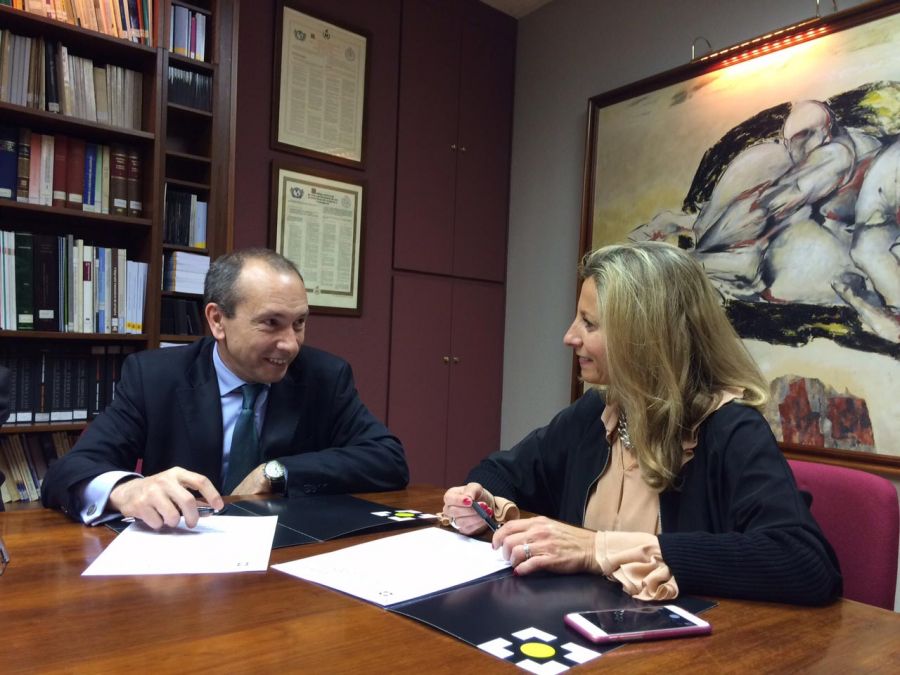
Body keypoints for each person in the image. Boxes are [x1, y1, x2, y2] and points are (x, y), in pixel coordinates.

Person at [443, 241, 842, 606]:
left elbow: (804, 563)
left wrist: (598, 548)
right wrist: (478, 500)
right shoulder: (595, 412)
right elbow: (502, 472)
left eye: (590, 323)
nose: (569, 337)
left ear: (645, 336)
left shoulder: (731, 429)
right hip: (590, 634)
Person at [42, 248, 408, 528]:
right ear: (217, 320)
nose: (291, 344)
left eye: (299, 323)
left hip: (286, 558)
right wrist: (126, 490)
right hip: (179, 560)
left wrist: (277, 471)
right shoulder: (154, 376)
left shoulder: (323, 376)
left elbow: (388, 460)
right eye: (271, 323)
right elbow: (67, 472)